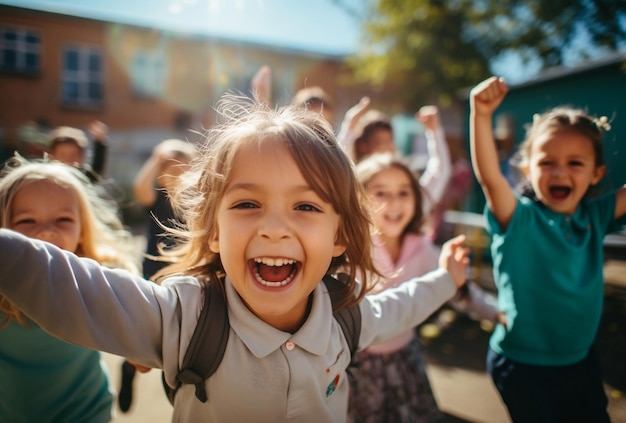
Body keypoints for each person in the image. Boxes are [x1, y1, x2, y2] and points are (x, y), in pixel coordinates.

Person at [0, 95, 470, 423]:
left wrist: (448, 278)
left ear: (341, 237)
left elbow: (403, 305)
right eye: (247, 204)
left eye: (305, 206)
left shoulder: (346, 318)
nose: (273, 227)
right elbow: (60, 281)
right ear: (214, 232)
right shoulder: (181, 319)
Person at [470, 76, 626, 422]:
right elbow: (489, 178)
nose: (559, 172)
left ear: (597, 173)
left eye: (575, 163)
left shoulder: (594, 216)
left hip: (579, 360)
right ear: (528, 169)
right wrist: (480, 116)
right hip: (522, 365)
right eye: (546, 162)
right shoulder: (518, 218)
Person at [349, 152, 500, 423]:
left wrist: (495, 313)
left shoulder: (423, 248)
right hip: (356, 365)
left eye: (404, 192)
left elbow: (457, 285)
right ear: (359, 199)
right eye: (381, 192)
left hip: (407, 356)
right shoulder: (349, 251)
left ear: (416, 199)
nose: (394, 202)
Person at [0, 155, 137, 422]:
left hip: (88, 415)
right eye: (27, 221)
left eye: (63, 219)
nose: (47, 232)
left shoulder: (100, 279)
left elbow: (145, 344)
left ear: (83, 230)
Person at [117, 138, 197, 412]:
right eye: (170, 168)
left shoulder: (195, 203)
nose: (176, 174)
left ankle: (172, 387)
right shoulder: (156, 198)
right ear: (160, 173)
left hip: (185, 276)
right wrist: (155, 157)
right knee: (144, 331)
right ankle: (129, 369)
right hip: (153, 274)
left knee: (173, 335)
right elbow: (141, 188)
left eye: (183, 168)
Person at [338, 100, 451, 216]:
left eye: (402, 194)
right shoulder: (351, 191)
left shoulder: (410, 196)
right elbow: (337, 171)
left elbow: (439, 173)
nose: (394, 204)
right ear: (362, 148)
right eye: (380, 193)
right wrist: (349, 127)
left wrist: (434, 132)